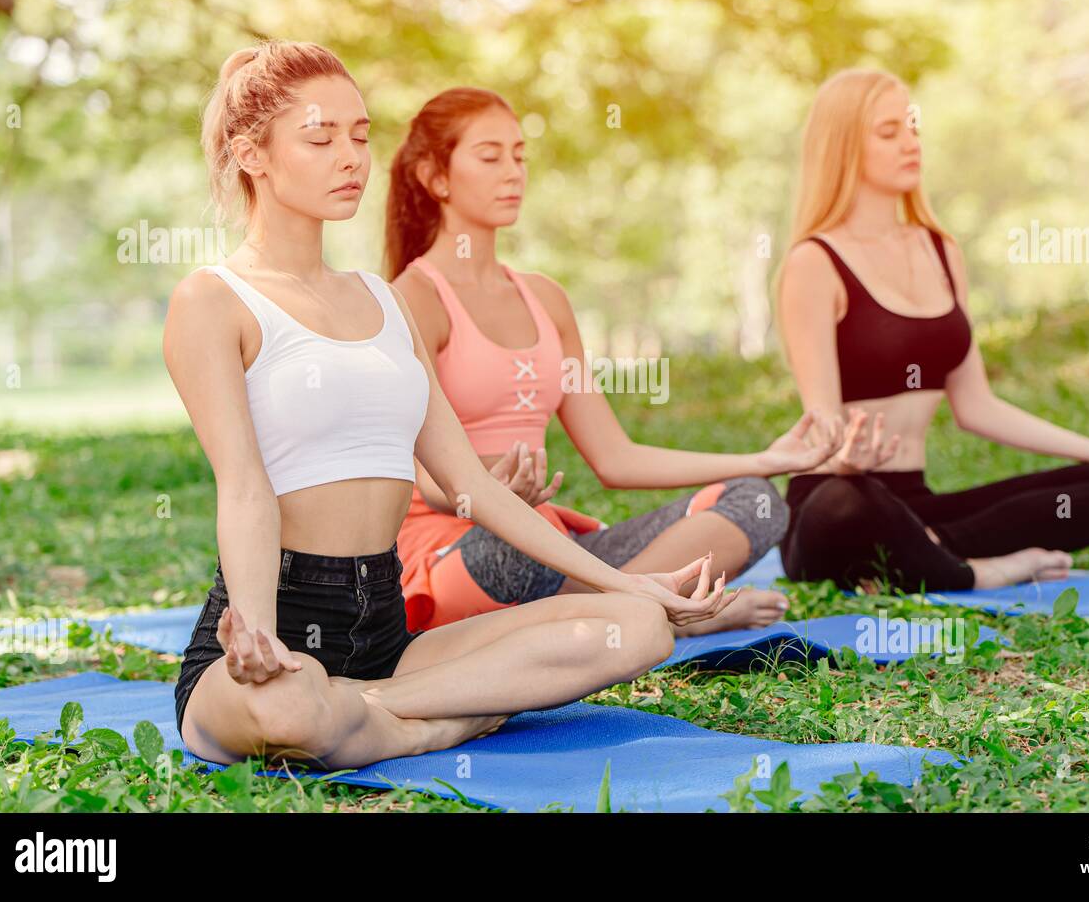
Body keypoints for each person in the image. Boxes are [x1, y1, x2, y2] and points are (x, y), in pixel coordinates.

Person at [166, 40, 744, 770]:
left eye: (360, 135)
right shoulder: (213, 301)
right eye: (320, 138)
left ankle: (380, 716)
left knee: (636, 628)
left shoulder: (385, 300)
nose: (351, 157)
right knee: (292, 702)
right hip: (282, 619)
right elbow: (245, 487)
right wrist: (254, 633)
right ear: (252, 155)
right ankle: (444, 715)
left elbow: (471, 486)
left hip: (385, 629)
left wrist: (624, 580)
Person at [385, 88, 840, 636]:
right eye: (490, 156)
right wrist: (492, 493)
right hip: (459, 552)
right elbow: (423, 480)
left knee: (753, 502)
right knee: (519, 546)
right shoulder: (412, 299)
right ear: (436, 177)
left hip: (553, 547)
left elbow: (614, 457)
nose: (513, 172)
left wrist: (764, 459)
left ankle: (625, 614)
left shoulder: (545, 300)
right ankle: (662, 610)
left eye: (520, 155)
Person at [774, 68, 1089, 593]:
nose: (911, 143)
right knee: (846, 502)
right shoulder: (815, 262)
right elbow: (823, 420)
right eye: (888, 131)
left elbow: (976, 407)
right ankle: (976, 571)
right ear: (843, 145)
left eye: (914, 127)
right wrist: (846, 461)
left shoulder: (941, 251)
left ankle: (922, 549)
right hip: (838, 503)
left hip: (915, 504)